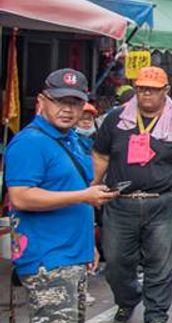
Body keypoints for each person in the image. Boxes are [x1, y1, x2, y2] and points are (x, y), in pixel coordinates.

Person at [93, 66, 172, 323]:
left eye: (153, 90)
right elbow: (101, 154)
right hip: (121, 203)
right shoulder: (116, 119)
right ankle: (127, 298)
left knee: (160, 264)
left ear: (165, 91)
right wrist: (95, 184)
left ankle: (156, 314)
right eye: (142, 89)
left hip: (164, 204)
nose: (146, 95)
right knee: (116, 262)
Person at [6, 69, 117, 323]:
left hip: (72, 254)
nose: (68, 109)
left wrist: (88, 242)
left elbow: (77, 190)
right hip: (48, 257)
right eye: (60, 101)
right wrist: (83, 196)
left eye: (75, 103)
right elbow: (21, 197)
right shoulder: (30, 142)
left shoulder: (72, 140)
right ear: (41, 101)